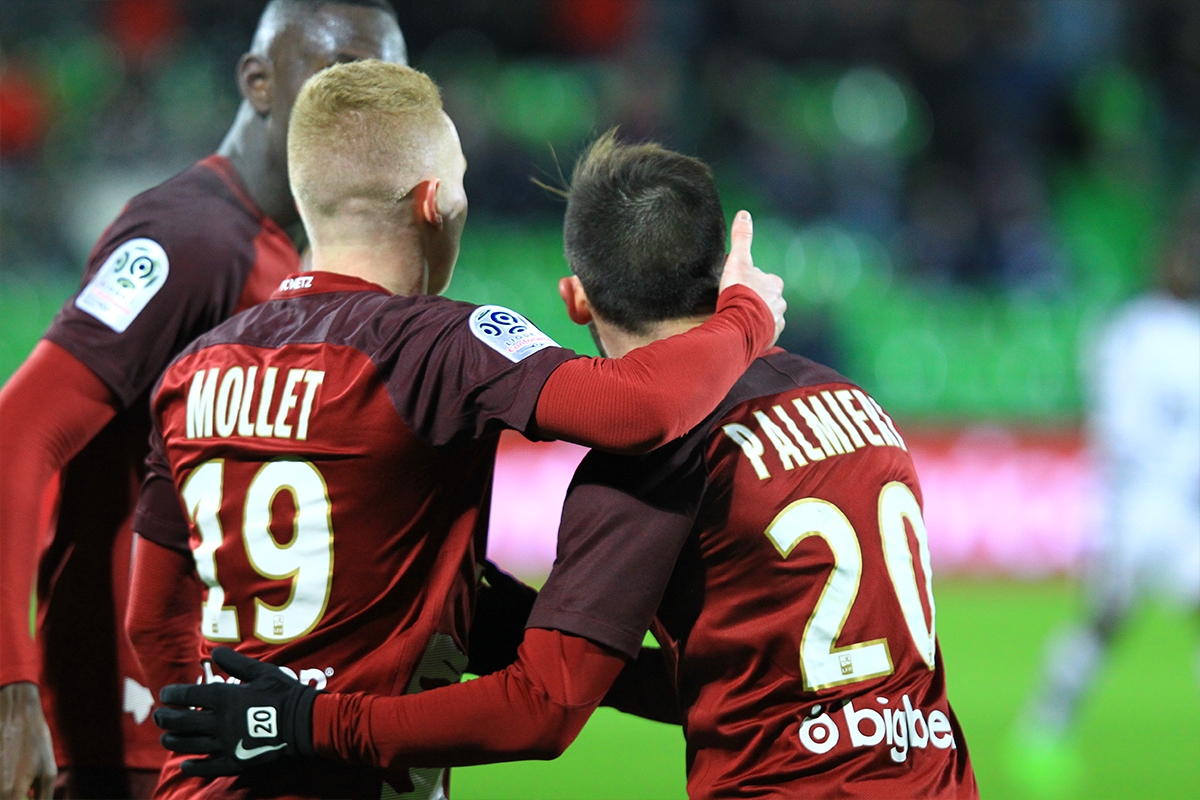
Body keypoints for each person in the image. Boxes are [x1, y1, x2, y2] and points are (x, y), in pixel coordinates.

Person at [154, 133, 978, 798]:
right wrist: (511, 624)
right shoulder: (854, 407)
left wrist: (310, 722)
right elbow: (752, 683)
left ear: (575, 298)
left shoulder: (649, 454)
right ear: (720, 268)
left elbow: (540, 710)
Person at [123, 63, 784, 800]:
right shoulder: (438, 345)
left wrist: (230, 732)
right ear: (434, 203)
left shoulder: (192, 369)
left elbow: (151, 621)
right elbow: (639, 409)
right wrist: (748, 313)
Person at [0, 3, 407, 798]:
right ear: (258, 81)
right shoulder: (193, 239)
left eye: (386, 88)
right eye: (339, 77)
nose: (364, 111)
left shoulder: (287, 257)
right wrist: (11, 687)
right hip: (123, 741)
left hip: (208, 732)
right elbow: (17, 433)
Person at [1008, 197, 1200, 798]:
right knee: (1107, 619)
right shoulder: (1133, 330)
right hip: (1138, 502)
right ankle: (1042, 729)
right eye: (1180, 258)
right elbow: (1119, 421)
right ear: (1160, 263)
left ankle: (1043, 729)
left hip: (1181, 506)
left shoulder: (1160, 330)